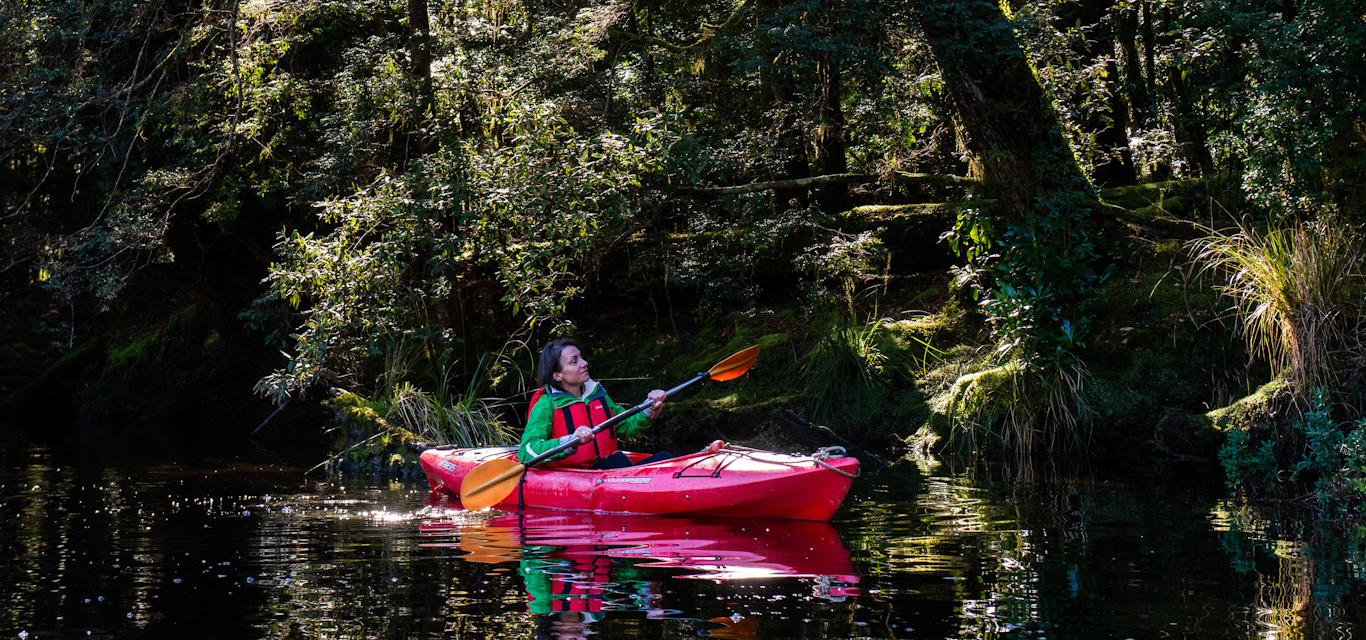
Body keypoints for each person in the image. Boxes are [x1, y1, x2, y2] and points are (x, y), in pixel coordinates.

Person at [519, 338, 672, 469]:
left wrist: (649, 409)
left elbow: (627, 429)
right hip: (576, 477)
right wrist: (568, 442)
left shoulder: (597, 395)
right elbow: (527, 453)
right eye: (574, 361)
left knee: (664, 457)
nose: (584, 363)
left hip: (608, 471)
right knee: (617, 459)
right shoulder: (546, 404)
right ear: (557, 375)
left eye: (581, 357)